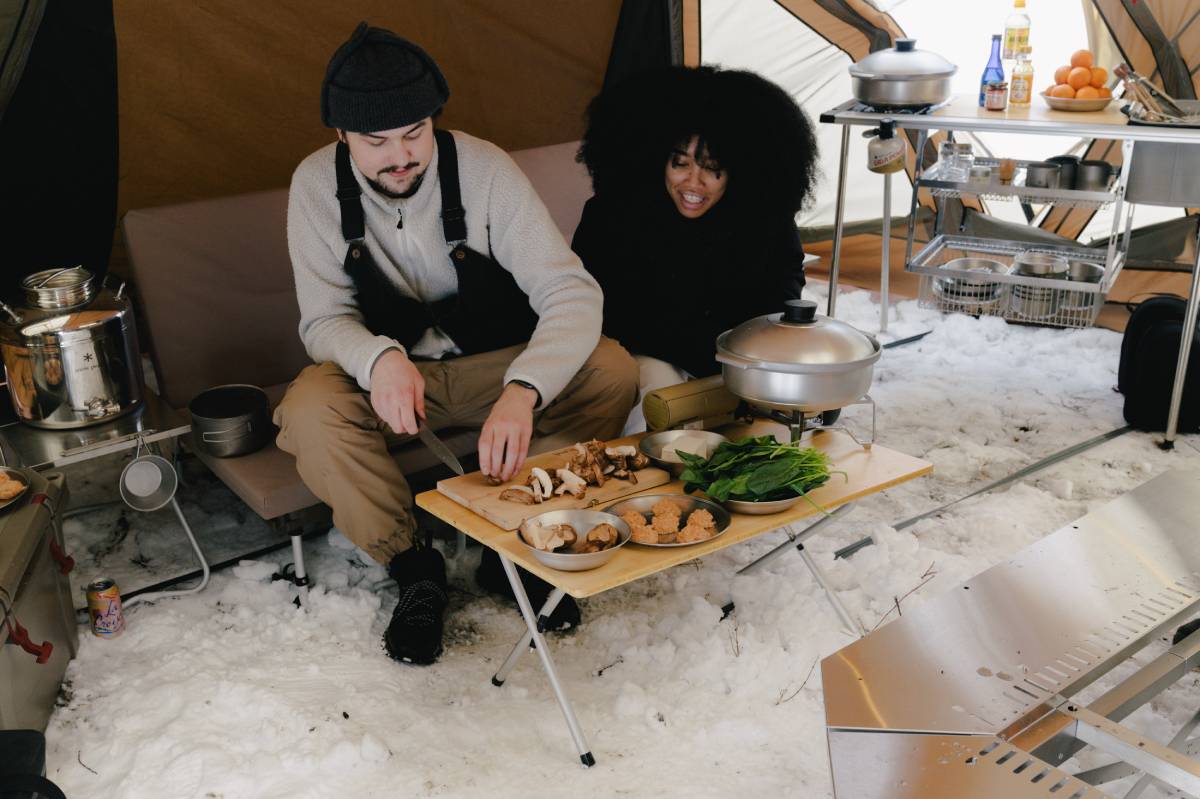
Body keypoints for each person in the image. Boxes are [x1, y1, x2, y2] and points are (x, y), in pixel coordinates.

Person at [277, 23, 639, 665]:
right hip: (391, 389)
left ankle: (518, 538)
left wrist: (525, 390)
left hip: (492, 372)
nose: (400, 157)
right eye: (376, 142)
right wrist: (378, 358)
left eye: (414, 134)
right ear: (341, 137)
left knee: (609, 367)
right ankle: (415, 568)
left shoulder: (483, 168)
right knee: (308, 408)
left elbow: (571, 292)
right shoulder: (313, 187)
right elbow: (322, 321)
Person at [572, 66, 819, 424]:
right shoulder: (612, 216)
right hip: (644, 360)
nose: (693, 182)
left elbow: (781, 294)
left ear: (739, 172)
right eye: (680, 164)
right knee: (664, 408)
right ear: (656, 159)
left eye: (712, 169)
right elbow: (601, 311)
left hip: (734, 365)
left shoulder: (764, 222)